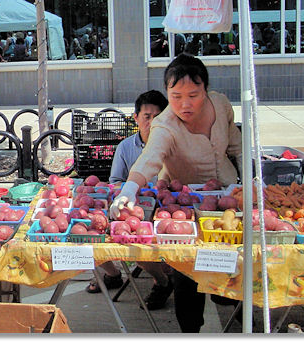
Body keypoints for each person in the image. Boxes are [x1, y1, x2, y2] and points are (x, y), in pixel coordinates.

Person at [109, 53, 243, 332]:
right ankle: (190, 331)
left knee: (232, 272)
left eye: (193, 95)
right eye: (176, 95)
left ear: (206, 90)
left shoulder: (221, 105)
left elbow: (237, 146)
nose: (184, 103)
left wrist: (251, 177)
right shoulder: (165, 124)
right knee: (188, 275)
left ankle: (241, 318)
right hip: (183, 207)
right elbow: (150, 158)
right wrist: (130, 188)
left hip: (229, 201)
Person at [86, 91, 174, 310]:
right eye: (147, 116)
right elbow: (115, 181)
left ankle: (162, 282)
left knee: (141, 245)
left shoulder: (172, 146)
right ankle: (113, 274)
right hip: (129, 209)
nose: (152, 122)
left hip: (162, 210)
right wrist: (130, 191)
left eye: (157, 116)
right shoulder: (125, 147)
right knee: (88, 230)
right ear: (135, 118)